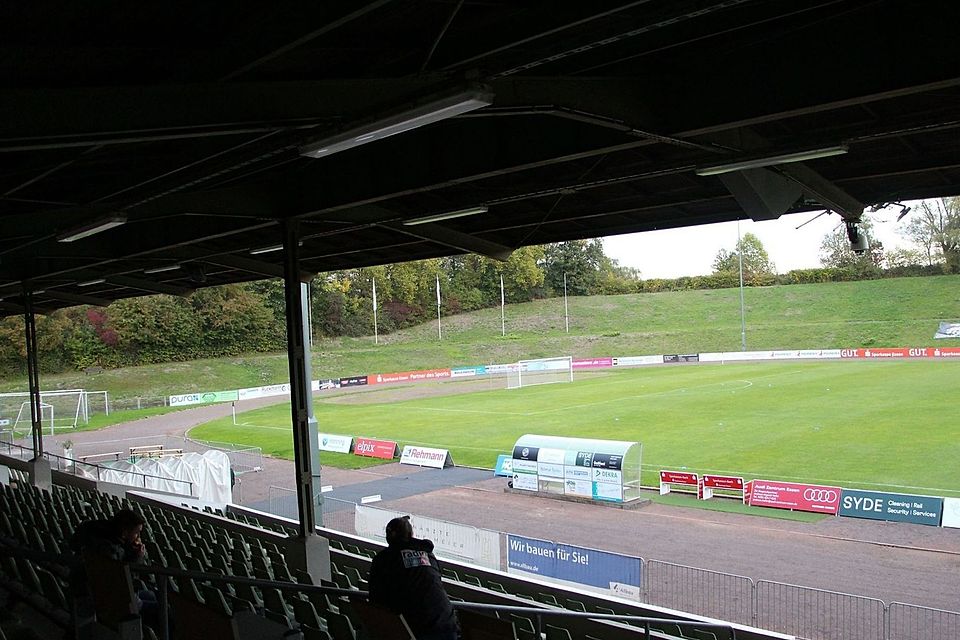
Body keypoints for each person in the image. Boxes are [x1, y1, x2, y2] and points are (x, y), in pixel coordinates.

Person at [368, 516, 458, 640]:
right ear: (411, 534)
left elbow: (376, 598)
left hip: (417, 627)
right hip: (445, 623)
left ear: (388, 537)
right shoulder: (428, 554)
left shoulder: (382, 560)